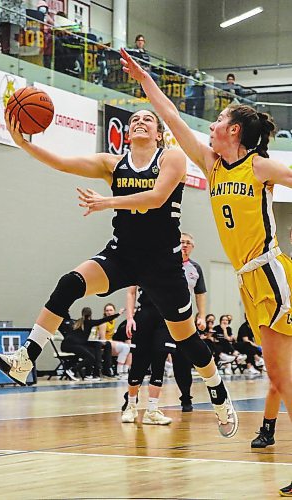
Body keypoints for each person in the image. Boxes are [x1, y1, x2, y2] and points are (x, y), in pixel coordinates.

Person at [0, 107, 238, 439]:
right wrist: (23, 143)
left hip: (164, 264)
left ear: (158, 132)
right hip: (123, 255)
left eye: (147, 119)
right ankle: (26, 358)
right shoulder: (113, 164)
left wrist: (107, 202)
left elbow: (156, 197)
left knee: (187, 340)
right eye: (134, 119)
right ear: (127, 131)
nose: (139, 122)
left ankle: (218, 391)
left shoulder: (173, 157)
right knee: (70, 283)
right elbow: (62, 163)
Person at [119, 48, 292, 496]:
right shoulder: (212, 165)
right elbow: (171, 116)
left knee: (281, 376)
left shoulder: (259, 167)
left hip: (270, 273)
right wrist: (144, 80)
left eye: (217, 121)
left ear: (234, 130)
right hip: (247, 280)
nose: (210, 126)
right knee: (278, 376)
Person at [121, 286, 174, 425]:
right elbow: (131, 292)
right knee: (138, 363)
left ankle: (152, 410)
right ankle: (131, 407)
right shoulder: (139, 265)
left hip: (165, 317)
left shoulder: (172, 266)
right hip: (144, 315)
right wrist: (129, 318)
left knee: (159, 359)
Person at [171, 231, 207, 412]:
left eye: (187, 243)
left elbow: (200, 293)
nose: (184, 245)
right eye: (181, 242)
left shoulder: (195, 268)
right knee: (155, 356)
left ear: (192, 247)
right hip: (161, 319)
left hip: (185, 321)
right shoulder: (167, 264)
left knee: (182, 360)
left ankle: (186, 397)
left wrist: (201, 316)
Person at [59, 306, 117, 380]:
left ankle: (88, 374)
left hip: (67, 345)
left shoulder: (76, 322)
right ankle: (72, 370)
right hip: (71, 345)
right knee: (91, 357)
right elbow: (103, 320)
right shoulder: (88, 322)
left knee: (92, 353)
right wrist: (117, 314)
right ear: (90, 314)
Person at [97, 303, 130, 377]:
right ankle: (120, 371)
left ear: (114, 311)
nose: (109, 312)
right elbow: (102, 340)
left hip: (110, 342)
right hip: (104, 344)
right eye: (107, 310)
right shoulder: (103, 323)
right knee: (125, 347)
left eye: (111, 310)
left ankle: (124, 370)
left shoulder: (113, 321)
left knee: (128, 347)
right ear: (104, 312)